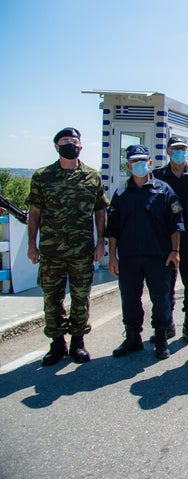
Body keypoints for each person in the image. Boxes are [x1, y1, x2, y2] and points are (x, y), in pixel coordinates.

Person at [26, 127, 109, 366]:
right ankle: (57, 343)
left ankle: (78, 342)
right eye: (65, 141)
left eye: (74, 141)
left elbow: (100, 210)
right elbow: (34, 213)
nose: (70, 144)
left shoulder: (92, 176)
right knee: (52, 298)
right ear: (56, 146)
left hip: (82, 249)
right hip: (52, 251)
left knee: (81, 297)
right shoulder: (42, 176)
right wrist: (32, 245)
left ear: (81, 146)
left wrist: (100, 242)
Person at [107, 144, 183, 360]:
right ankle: (133, 337)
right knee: (130, 298)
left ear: (150, 163)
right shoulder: (121, 193)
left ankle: (160, 339)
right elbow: (113, 230)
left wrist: (175, 251)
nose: (139, 165)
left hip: (158, 256)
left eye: (143, 161)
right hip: (129, 257)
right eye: (134, 162)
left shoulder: (164, 190)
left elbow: (175, 223)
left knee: (161, 299)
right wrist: (112, 257)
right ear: (128, 165)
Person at [153, 136, 188, 344]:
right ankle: (168, 325)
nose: (179, 152)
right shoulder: (157, 176)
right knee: (165, 286)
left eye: (183, 149)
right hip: (165, 241)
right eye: (175, 149)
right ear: (168, 152)